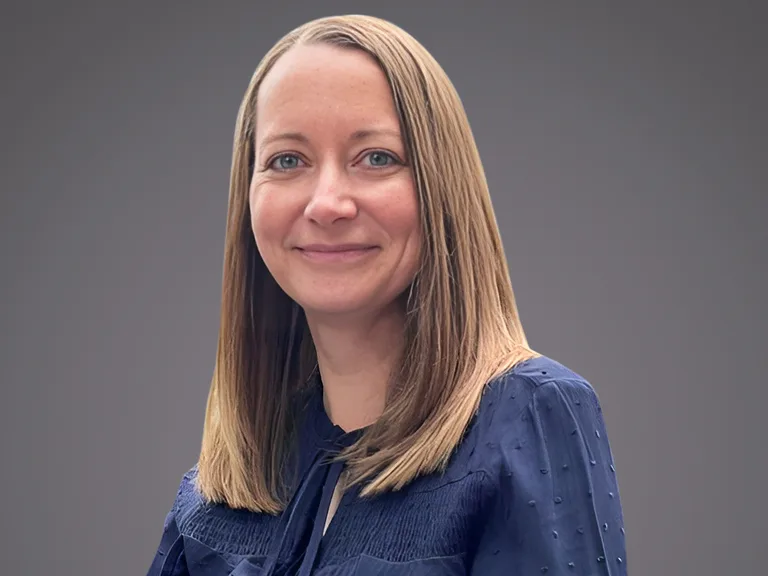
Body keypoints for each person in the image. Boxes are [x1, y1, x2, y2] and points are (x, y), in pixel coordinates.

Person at [146, 14, 627, 576]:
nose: (327, 203)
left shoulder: (531, 418)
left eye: (377, 158)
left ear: (440, 187)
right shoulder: (216, 490)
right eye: (287, 160)